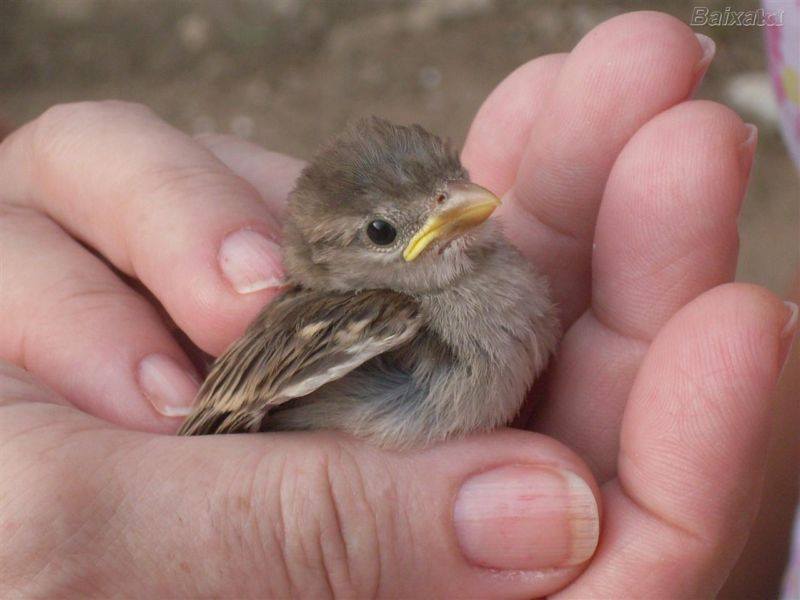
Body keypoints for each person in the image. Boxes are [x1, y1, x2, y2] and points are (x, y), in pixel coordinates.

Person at [0, 11, 795, 598]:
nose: (463, 209)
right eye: (387, 230)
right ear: (332, 257)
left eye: (451, 188)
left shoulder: (511, 277)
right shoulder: (366, 316)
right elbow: (208, 442)